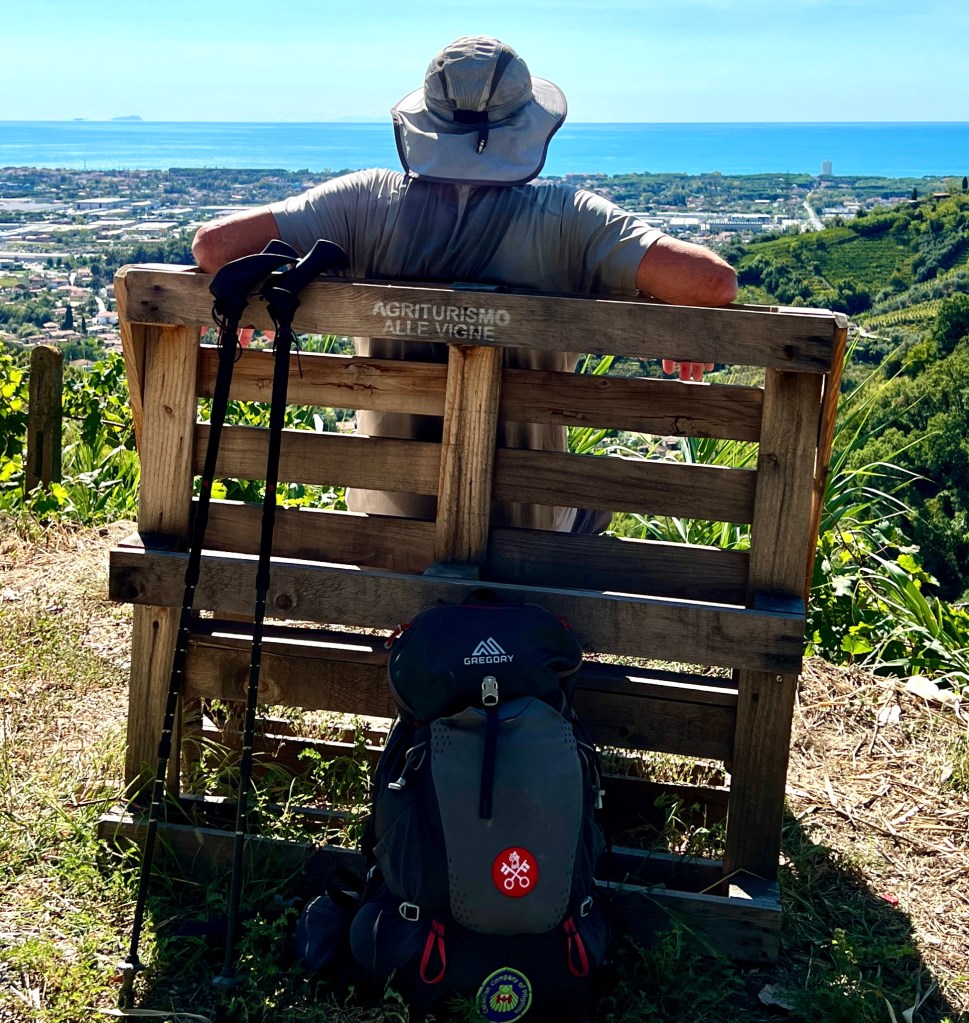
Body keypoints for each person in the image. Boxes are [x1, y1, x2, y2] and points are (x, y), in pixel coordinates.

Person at [192, 35, 737, 532]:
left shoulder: (361, 202)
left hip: (386, 518)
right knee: (597, 505)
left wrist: (254, 299)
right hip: (529, 526)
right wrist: (663, 317)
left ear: (426, 120)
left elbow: (213, 248)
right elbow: (713, 285)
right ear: (528, 125)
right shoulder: (572, 218)